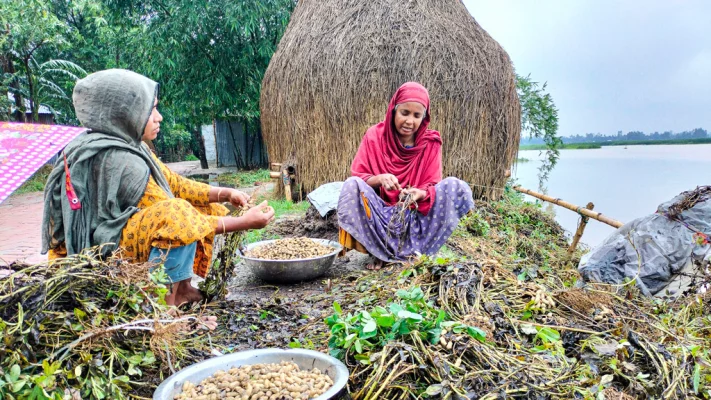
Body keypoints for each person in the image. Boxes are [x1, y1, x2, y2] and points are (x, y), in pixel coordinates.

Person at [41, 69, 275, 306]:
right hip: (100, 253)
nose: (159, 117)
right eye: (151, 109)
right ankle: (163, 304)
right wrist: (243, 222)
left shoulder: (134, 147)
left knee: (202, 208)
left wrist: (224, 194)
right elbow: (178, 220)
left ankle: (182, 289)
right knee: (176, 215)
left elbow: (175, 183)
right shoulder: (118, 159)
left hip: (119, 236)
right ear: (124, 113)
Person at [338, 82, 474, 270]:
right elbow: (360, 176)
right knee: (351, 185)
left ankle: (417, 251)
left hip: (416, 215)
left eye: (417, 115)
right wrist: (380, 179)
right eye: (405, 113)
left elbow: (432, 184)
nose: (410, 121)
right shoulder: (374, 137)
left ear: (424, 118)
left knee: (455, 185)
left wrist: (419, 193)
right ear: (393, 110)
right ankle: (379, 252)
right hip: (381, 216)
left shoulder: (430, 143)